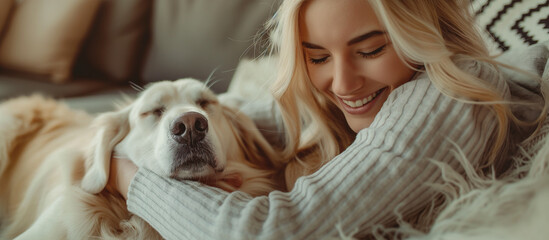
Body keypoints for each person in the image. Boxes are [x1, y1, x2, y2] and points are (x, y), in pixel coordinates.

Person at [108, 0, 548, 239]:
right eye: (317, 57)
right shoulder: (346, 98)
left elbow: (271, 232)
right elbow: (240, 116)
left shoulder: (449, 93)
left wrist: (126, 176)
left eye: (371, 50)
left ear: (423, 37)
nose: (342, 84)